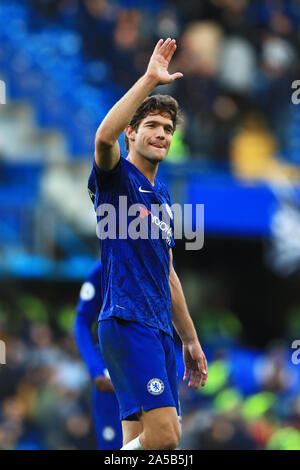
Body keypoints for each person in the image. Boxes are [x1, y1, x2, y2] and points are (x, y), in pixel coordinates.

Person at [87, 37, 208, 450]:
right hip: (127, 322)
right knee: (166, 438)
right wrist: (149, 80)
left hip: (158, 331)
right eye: (152, 126)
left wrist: (189, 338)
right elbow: (103, 138)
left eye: (168, 129)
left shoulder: (163, 199)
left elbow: (168, 272)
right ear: (131, 134)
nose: (162, 134)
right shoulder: (117, 179)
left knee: (141, 441)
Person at [74, 261, 122, 450]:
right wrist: (97, 371)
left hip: (152, 373)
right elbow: (81, 321)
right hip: (112, 376)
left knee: (163, 443)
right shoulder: (103, 268)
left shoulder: (163, 263)